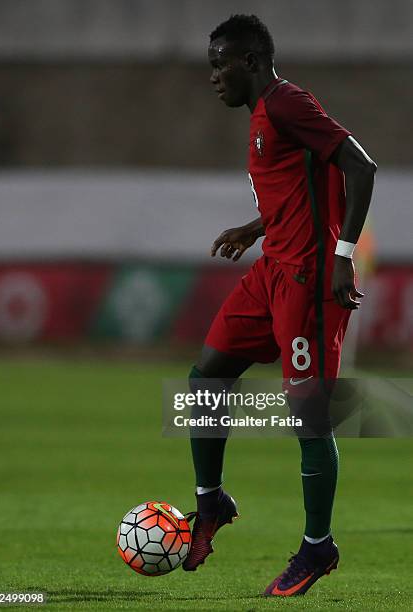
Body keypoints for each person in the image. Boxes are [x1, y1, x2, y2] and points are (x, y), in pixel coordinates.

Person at [181, 14, 377, 597]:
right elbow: (300, 190)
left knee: (309, 414)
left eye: (221, 64)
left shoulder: (287, 102)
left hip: (309, 280)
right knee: (206, 375)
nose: (214, 76)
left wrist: (344, 255)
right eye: (211, 64)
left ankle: (318, 547)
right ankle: (211, 500)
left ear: (250, 62)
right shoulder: (265, 116)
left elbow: (360, 167)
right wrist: (255, 226)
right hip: (271, 272)